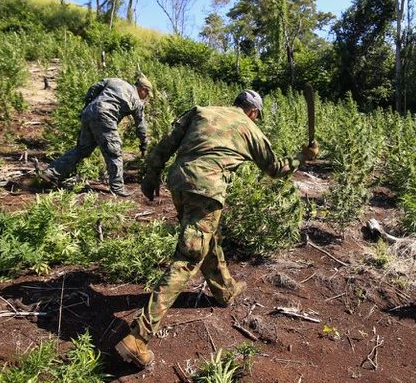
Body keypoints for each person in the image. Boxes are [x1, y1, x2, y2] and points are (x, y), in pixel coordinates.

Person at [115, 89, 318, 368]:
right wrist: (302, 156)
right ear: (254, 112)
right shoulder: (250, 128)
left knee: (206, 238)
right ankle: (138, 338)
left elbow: (166, 144)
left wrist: (151, 175)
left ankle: (225, 290)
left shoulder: (201, 111)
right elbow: (275, 169)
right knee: (187, 259)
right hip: (207, 190)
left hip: (179, 183)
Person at [38, 75, 151, 197]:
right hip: (105, 116)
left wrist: (88, 104)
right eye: (147, 94)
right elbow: (140, 126)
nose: (146, 97)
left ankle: (51, 172)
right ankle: (117, 188)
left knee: (82, 149)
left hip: (89, 112)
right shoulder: (136, 101)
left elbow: (94, 88)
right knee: (114, 152)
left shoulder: (115, 81)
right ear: (143, 89)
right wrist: (144, 142)